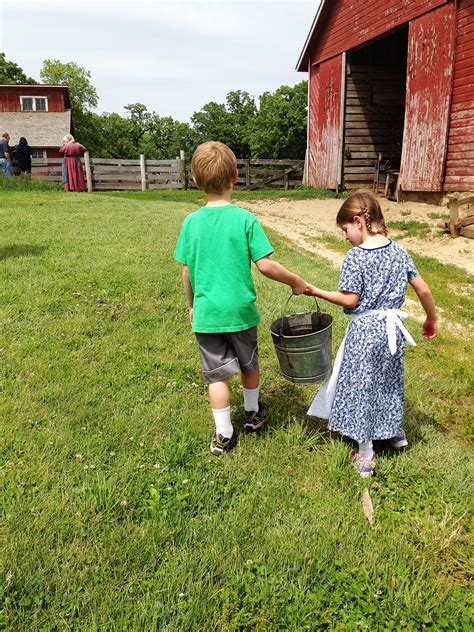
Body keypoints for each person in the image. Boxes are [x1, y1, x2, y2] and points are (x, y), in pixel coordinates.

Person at [174, 141, 308, 456]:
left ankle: (223, 434)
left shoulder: (190, 223)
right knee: (249, 365)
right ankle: (251, 414)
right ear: (236, 176)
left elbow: (185, 272)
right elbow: (265, 264)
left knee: (216, 376)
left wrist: (192, 306)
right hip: (240, 313)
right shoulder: (245, 219)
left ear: (195, 181)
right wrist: (295, 281)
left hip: (207, 315)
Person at [306, 190, 438, 478]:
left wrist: (315, 290)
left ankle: (365, 453)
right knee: (388, 381)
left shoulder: (356, 257)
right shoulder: (399, 250)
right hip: (393, 330)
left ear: (359, 221)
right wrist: (431, 319)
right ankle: (395, 433)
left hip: (365, 331)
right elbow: (424, 289)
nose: (346, 237)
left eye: (345, 230)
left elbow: (350, 300)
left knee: (363, 387)